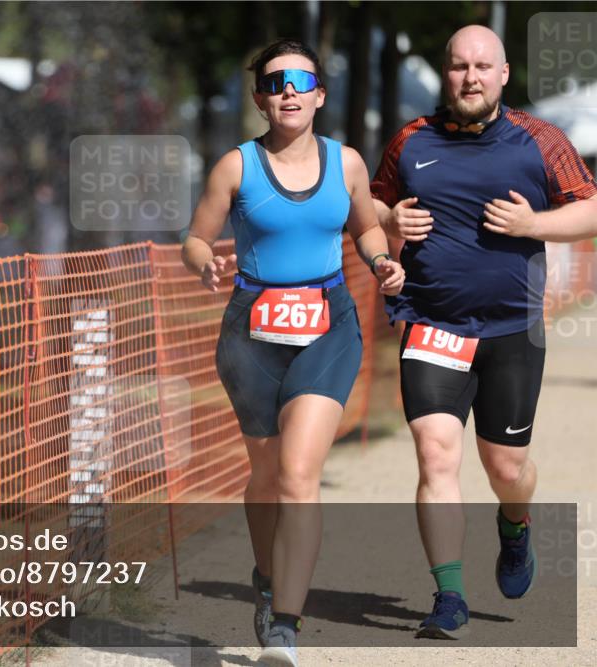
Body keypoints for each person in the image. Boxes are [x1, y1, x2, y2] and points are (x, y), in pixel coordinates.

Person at [370, 25, 597, 640]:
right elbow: (371, 210)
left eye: (482, 66)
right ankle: (449, 595)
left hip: (511, 329)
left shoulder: (540, 140)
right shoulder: (410, 142)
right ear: (446, 74)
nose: (470, 76)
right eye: (458, 66)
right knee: (436, 455)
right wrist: (388, 236)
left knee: (506, 467)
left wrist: (533, 224)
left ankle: (515, 524)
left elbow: (591, 206)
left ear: (502, 74)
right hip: (430, 323)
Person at [181, 39, 404, 664]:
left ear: (319, 95)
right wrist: (204, 264)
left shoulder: (349, 164)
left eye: (301, 79)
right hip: (250, 330)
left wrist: (382, 260)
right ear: (260, 99)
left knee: (300, 476)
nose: (289, 90)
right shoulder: (235, 167)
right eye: (275, 81)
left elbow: (366, 226)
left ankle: (284, 626)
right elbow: (195, 239)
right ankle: (267, 574)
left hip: (327, 326)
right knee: (266, 475)